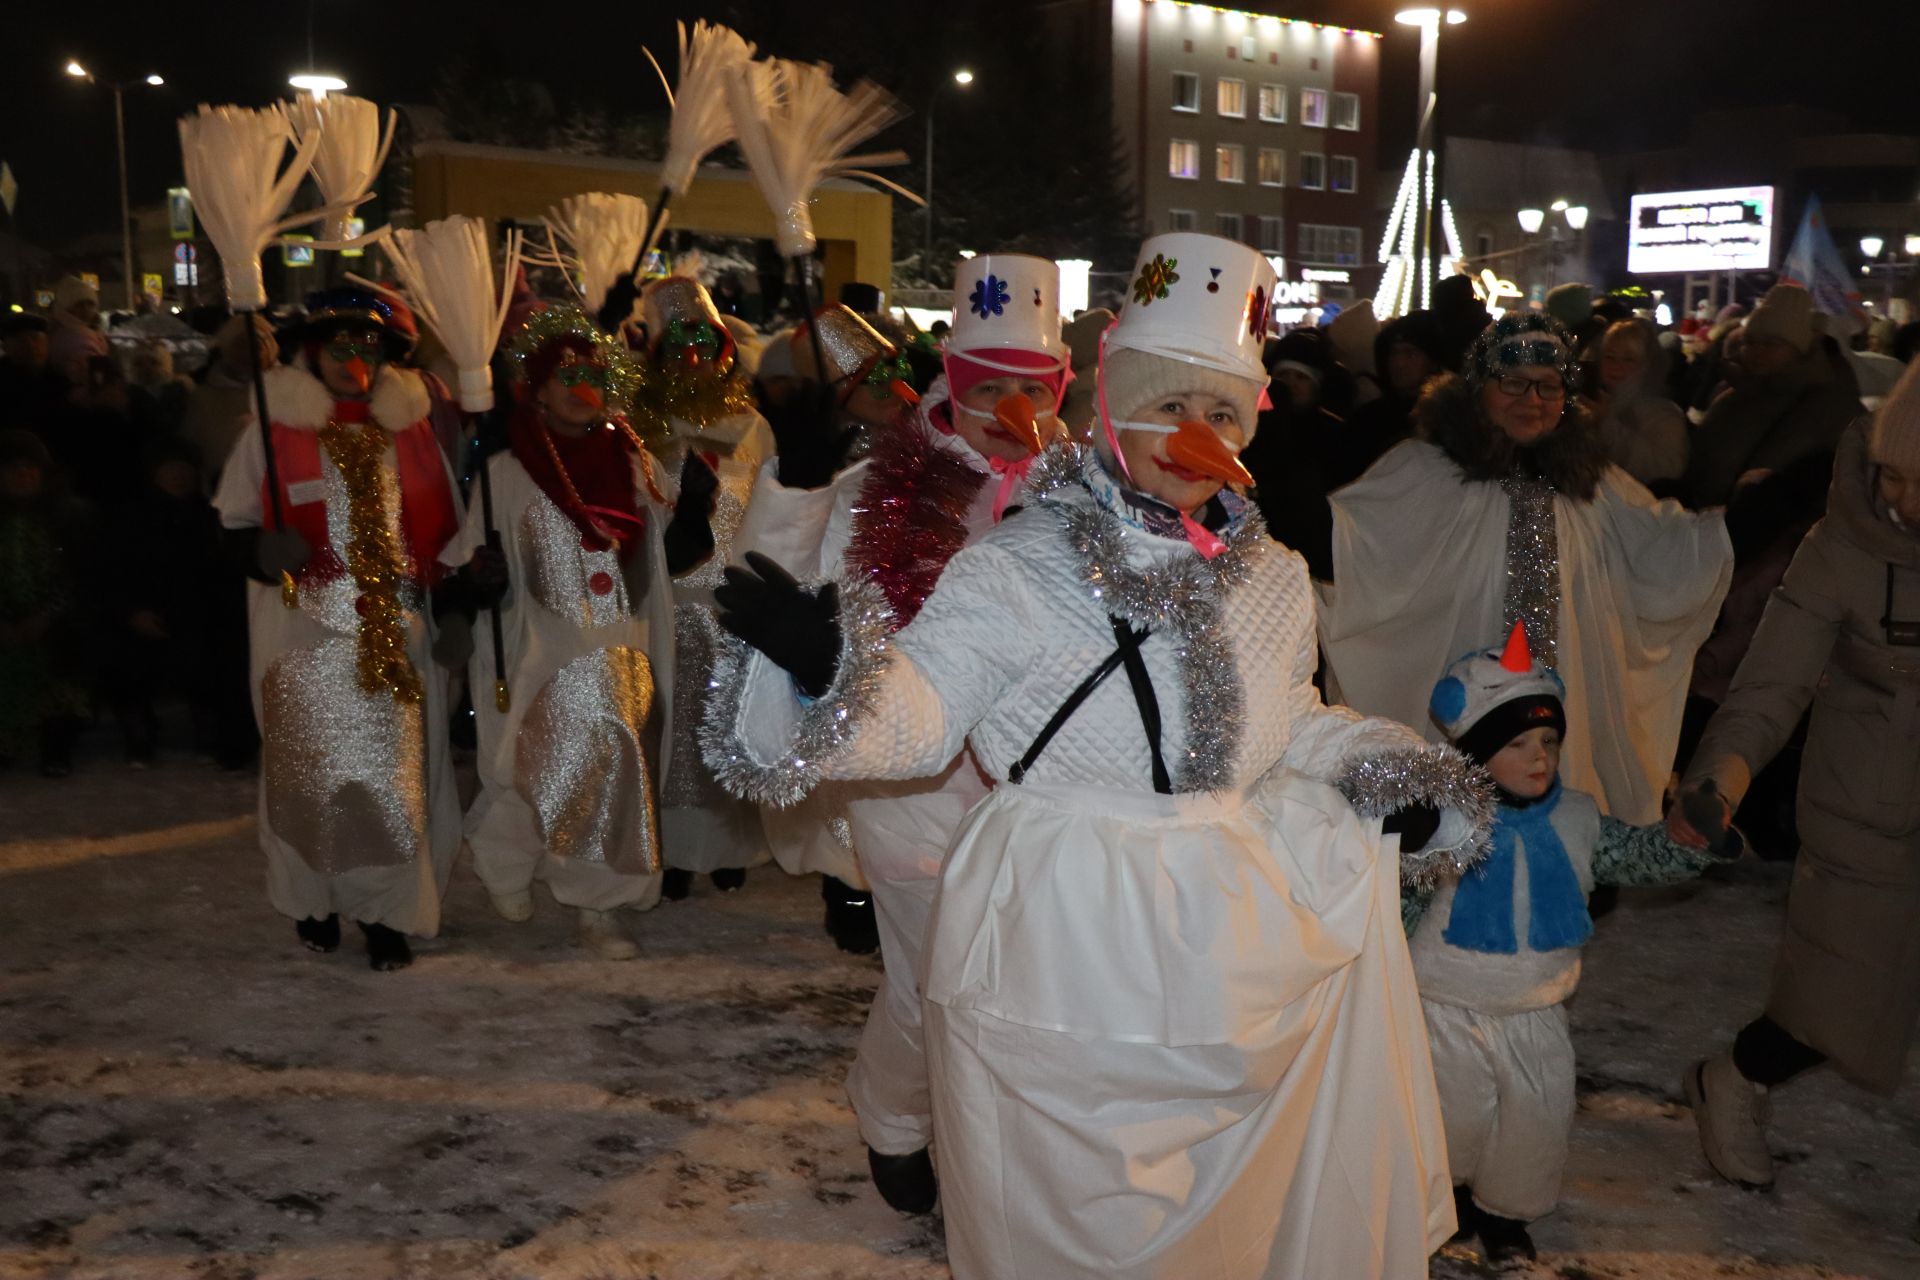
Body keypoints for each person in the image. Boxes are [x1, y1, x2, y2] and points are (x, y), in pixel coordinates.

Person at [705, 233, 1490, 1278]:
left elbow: (1290, 721)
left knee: (1220, 1221)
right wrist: (831, 668)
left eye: (1219, 411)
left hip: (1222, 946)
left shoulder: (1273, 577)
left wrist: (1391, 773)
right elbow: (925, 713)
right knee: (1067, 1217)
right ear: (1115, 410)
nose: (1192, 436)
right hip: (1057, 933)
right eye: (1168, 405)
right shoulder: (1016, 564)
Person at [728, 252, 1070, 1212]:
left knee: (1030, 985)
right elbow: (776, 592)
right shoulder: (882, 492)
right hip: (913, 782)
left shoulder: (1080, 497)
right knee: (935, 979)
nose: (1011, 410)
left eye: (1031, 390)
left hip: (1044, 787)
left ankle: (1000, 1145)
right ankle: (894, 1114)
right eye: (987, 387)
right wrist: (794, 484)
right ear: (949, 387)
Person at [1317, 313, 1733, 825]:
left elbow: (1656, 543)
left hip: (1566, 702)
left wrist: (1743, 516)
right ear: (1478, 388)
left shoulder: (1592, 483)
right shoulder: (1426, 468)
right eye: (1512, 383)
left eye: (1548, 386)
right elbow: (1359, 538)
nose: (1531, 400)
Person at [1407, 622, 1738, 1265]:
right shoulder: (1443, 822)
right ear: (1475, 753)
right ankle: (1444, 1207)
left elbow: (1636, 856)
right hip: (1447, 1003)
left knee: (1534, 1121)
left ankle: (1505, 1219)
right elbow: (1402, 902)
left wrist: (1685, 842)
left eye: (1550, 740)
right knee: (1451, 1118)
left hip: (1537, 1006)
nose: (1540, 756)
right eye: (1519, 742)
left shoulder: (1578, 817)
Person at [1676, 360, 1920, 1190]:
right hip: (1868, 812)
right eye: (1894, 476)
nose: (1906, 504)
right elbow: (1769, 687)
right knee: (1837, 1001)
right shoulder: (1842, 545)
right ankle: (1736, 1080)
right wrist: (1719, 782)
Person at [212, 288, 467, 971]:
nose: (354, 360)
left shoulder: (408, 431)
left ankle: (386, 913)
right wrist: (261, 553)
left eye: (368, 347)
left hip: (393, 634)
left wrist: (460, 611)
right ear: (311, 352)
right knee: (309, 777)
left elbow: (446, 534)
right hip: (301, 631)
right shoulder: (271, 429)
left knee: (390, 781)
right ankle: (312, 900)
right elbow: (229, 522)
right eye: (339, 347)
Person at [445, 306, 701, 959]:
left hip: (622, 641)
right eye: (566, 376)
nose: (581, 386)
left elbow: (672, 545)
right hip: (541, 644)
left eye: (592, 373)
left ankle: (597, 906)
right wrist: (482, 575)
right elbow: (469, 558)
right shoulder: (507, 470)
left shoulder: (634, 458)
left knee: (611, 766)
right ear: (537, 388)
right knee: (531, 767)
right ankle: (503, 856)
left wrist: (696, 499)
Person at [733, 303, 925, 948]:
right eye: (870, 375)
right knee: (851, 779)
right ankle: (847, 885)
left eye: (894, 368)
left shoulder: (936, 457)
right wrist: (800, 487)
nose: (890, 385)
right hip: (845, 637)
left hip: (923, 644)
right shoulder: (831, 468)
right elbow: (775, 558)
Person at [628, 272, 765, 899]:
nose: (692, 357)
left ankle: (731, 846)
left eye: (704, 344)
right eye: (678, 345)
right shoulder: (640, 426)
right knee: (676, 734)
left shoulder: (753, 428)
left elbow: (772, 506)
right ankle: (676, 852)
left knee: (730, 729)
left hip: (734, 601)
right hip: (673, 602)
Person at [1682, 284, 1861, 511]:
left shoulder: (1833, 405)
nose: (1757, 351)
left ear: (1800, 349)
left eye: (1772, 344)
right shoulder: (1730, 394)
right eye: (1750, 342)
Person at [0, 430, 90, 776]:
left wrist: (47, 614)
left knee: (60, 677)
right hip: (10, 620)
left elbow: (79, 574)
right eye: (11, 469)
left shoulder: (68, 515)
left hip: (57, 621)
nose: (21, 476)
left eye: (28, 467)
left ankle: (56, 745)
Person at [1586, 317, 1688, 491]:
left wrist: (1607, 424)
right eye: (1609, 357)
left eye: (1628, 359)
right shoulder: (1593, 400)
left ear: (1646, 364)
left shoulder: (1663, 414)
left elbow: (1666, 472)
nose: (1616, 366)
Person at [183, 314, 279, 491]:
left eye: (256, 345)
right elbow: (191, 451)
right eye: (240, 345)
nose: (248, 352)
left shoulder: (292, 390)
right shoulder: (203, 397)